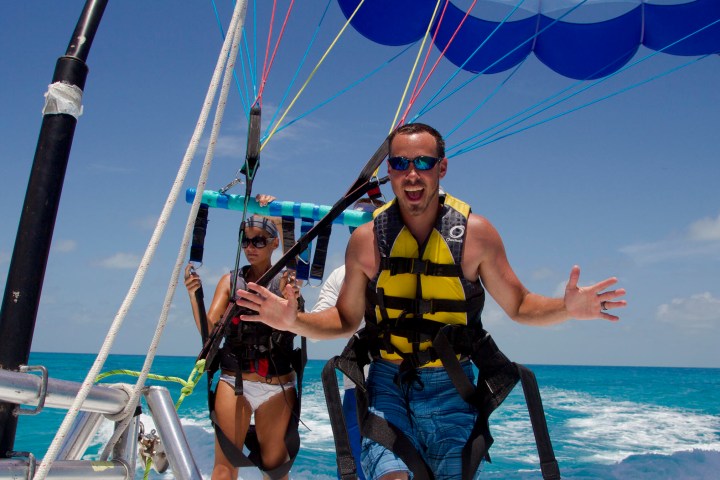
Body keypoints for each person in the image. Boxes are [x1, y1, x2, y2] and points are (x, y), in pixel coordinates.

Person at [234, 123, 627, 480]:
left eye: (423, 161)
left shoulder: (476, 235)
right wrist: (294, 322)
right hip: (387, 381)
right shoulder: (365, 242)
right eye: (400, 163)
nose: (412, 173)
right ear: (389, 172)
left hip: (451, 385)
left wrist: (567, 308)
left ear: (442, 168)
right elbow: (345, 319)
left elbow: (520, 305)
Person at [185, 208, 302, 480]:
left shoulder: (286, 280)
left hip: (277, 387)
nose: (250, 247)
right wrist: (194, 296)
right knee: (224, 468)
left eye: (259, 240)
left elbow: (293, 251)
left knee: (275, 470)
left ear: (274, 243)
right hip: (234, 382)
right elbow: (210, 332)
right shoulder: (230, 281)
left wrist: (271, 209)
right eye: (245, 241)